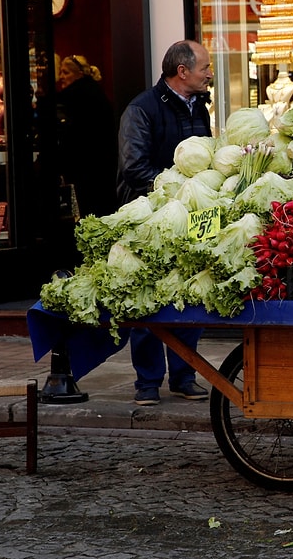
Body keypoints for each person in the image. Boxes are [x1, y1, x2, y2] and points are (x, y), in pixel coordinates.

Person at [117, 40, 214, 406]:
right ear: (182, 71)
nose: (209, 73)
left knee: (192, 289)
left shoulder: (199, 107)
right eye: (204, 67)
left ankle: (185, 375)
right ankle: (147, 382)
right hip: (152, 213)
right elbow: (134, 167)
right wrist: (177, 189)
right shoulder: (141, 109)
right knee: (149, 295)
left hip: (195, 212)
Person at [55, 55, 118, 218]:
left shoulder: (76, 95)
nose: (62, 77)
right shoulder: (95, 91)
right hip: (101, 165)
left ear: (79, 74)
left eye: (66, 72)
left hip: (88, 165)